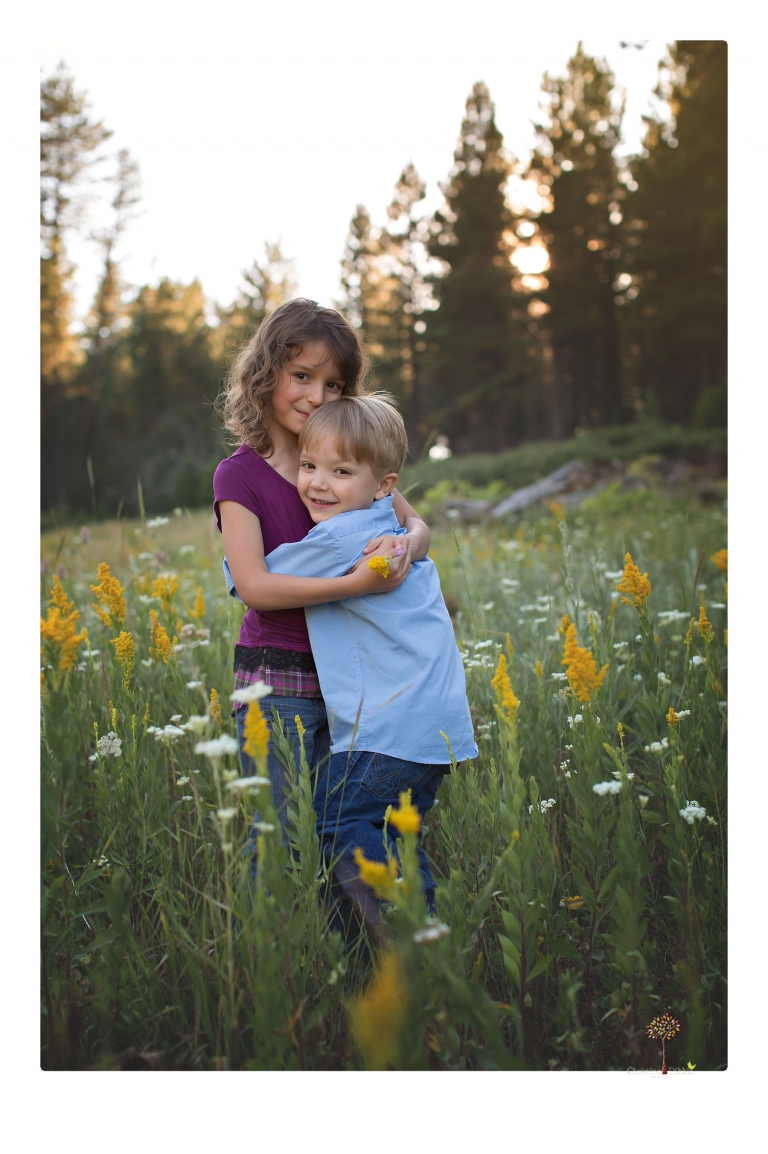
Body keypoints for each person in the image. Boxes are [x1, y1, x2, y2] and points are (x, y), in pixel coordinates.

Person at [227, 394, 477, 931]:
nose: (317, 483)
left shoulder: (343, 536)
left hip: (389, 726)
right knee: (385, 830)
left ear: (383, 484)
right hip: (432, 725)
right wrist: (411, 535)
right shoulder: (391, 527)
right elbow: (418, 529)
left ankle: (416, 936)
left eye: (340, 472)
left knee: (342, 821)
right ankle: (399, 943)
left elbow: (246, 578)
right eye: (309, 466)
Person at [213, 299, 430, 831]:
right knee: (281, 834)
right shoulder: (239, 476)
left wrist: (401, 553)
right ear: (265, 375)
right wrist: (357, 583)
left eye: (333, 385)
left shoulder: (348, 460)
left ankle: (346, 918)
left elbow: (418, 529)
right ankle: (279, 919)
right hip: (277, 678)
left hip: (355, 674)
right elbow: (255, 586)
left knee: (343, 828)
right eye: (302, 376)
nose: (317, 397)